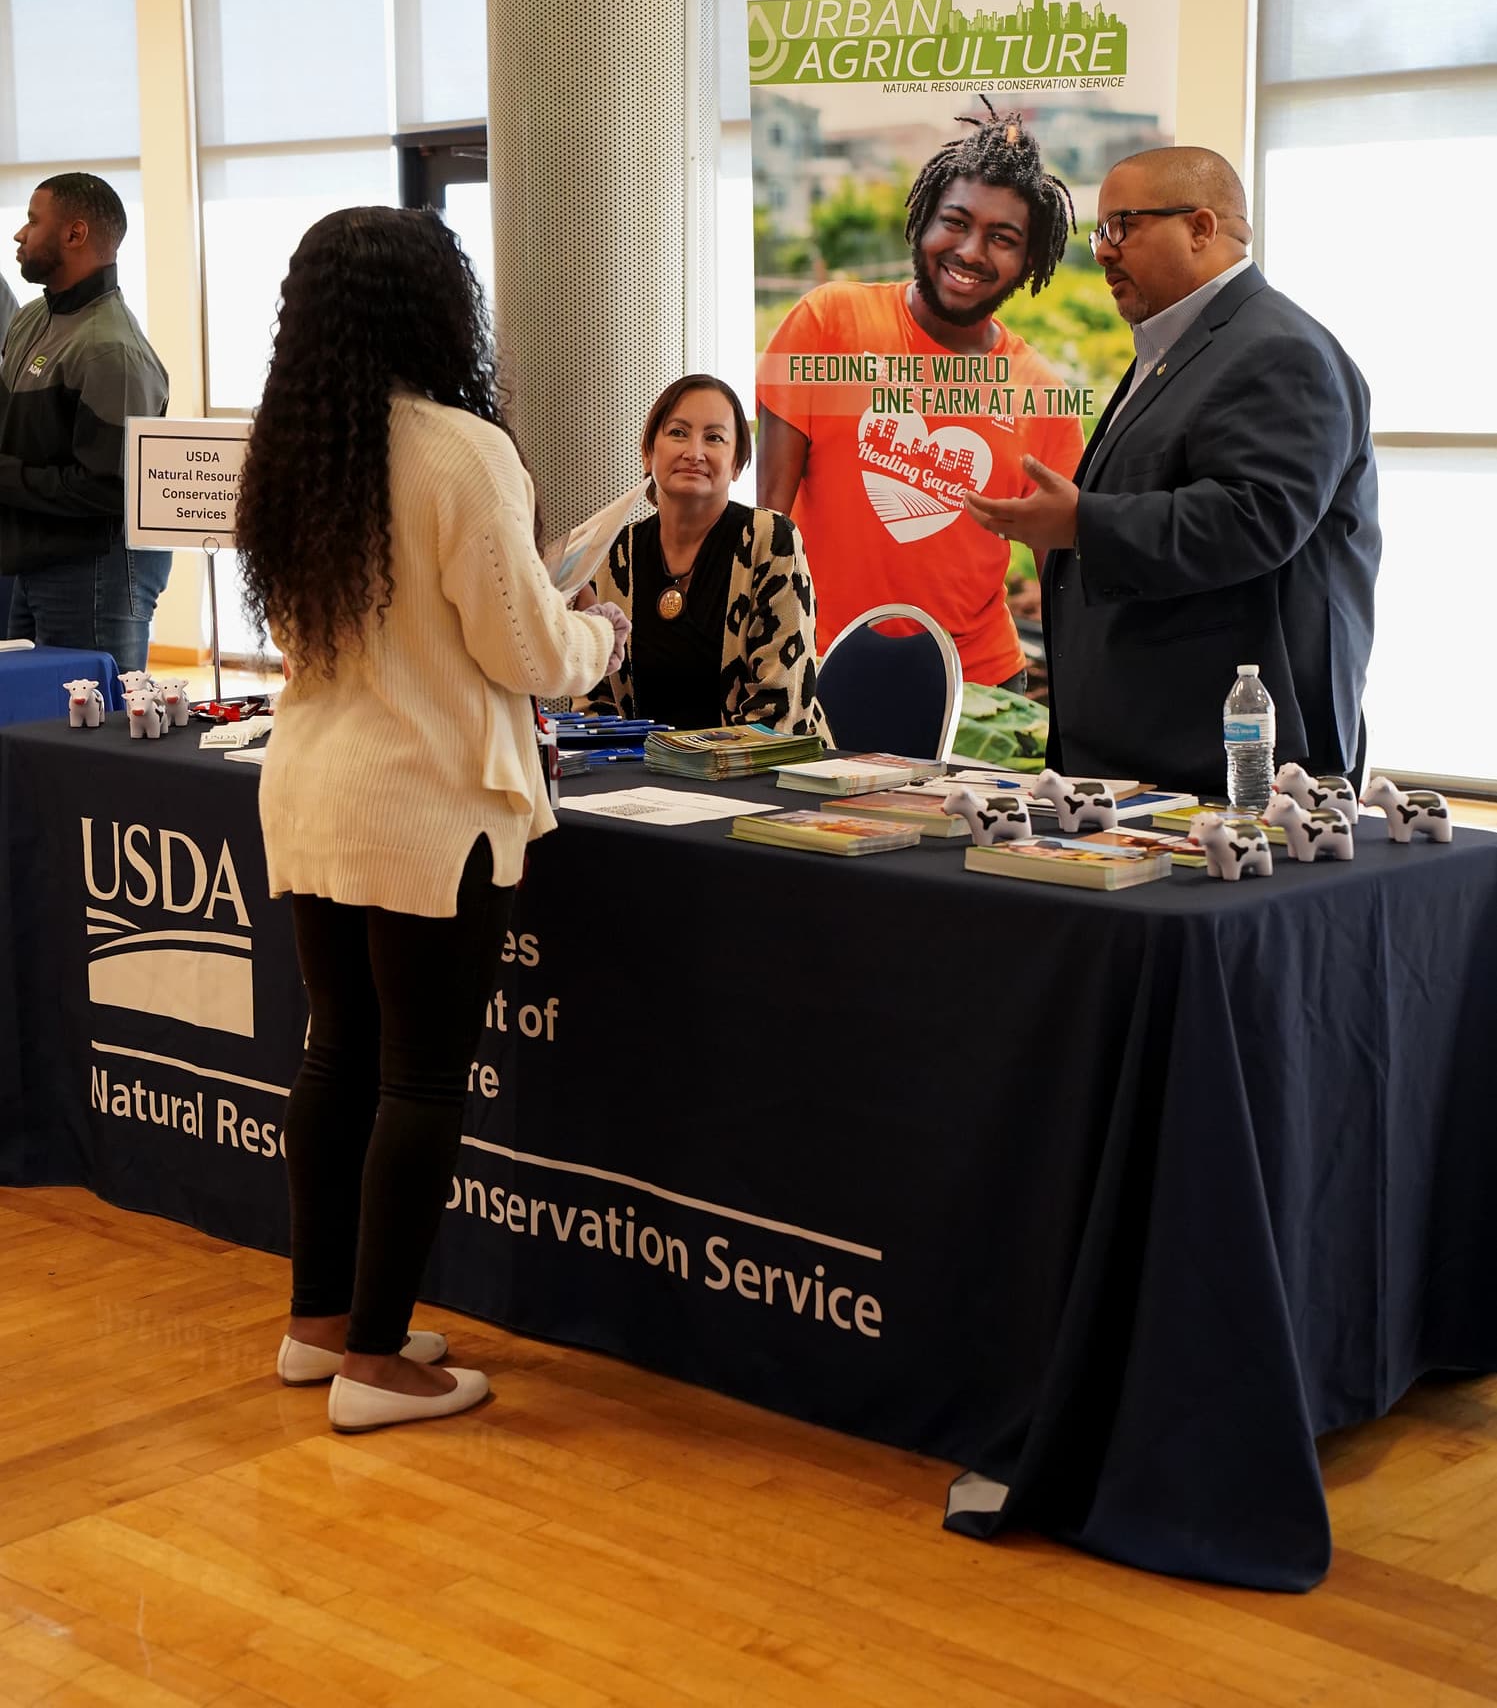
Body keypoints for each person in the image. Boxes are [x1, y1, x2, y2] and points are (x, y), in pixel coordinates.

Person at [236, 206, 626, 1434]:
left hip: (316, 785)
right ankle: (379, 1355)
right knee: (419, 1078)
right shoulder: (461, 449)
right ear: (436, 305)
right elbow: (522, 647)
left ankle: (319, 1322)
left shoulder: (296, 444)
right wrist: (599, 633)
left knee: (335, 1052)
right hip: (428, 803)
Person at [964, 146, 1380, 797]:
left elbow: (1255, 517)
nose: (1101, 251)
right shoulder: (1175, 348)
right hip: (1147, 743)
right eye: (1098, 231)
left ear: (1200, 228)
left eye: (1120, 226)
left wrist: (1080, 522)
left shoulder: (1277, 349)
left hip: (1232, 759)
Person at [756, 108, 1084, 689]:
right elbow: (769, 526)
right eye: (955, 222)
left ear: (1030, 261)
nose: (972, 251)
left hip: (975, 684)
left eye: (1003, 239)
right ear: (922, 221)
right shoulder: (828, 322)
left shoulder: (1040, 393)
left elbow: (1067, 568)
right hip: (820, 661)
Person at [582, 373, 824, 734]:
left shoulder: (771, 540)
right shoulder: (616, 552)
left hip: (762, 774)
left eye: (714, 438)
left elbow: (778, 714)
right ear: (648, 453)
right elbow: (595, 703)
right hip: (642, 780)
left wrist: (679, 766)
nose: (693, 452)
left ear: (738, 464)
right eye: (678, 433)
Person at [1, 174, 170, 670]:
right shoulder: (32, 318)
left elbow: (106, 490)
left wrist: (3, 478)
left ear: (74, 235)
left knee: (91, 730)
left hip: (94, 573)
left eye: (33, 221)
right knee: (30, 726)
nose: (19, 234)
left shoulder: (110, 350)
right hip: (34, 561)